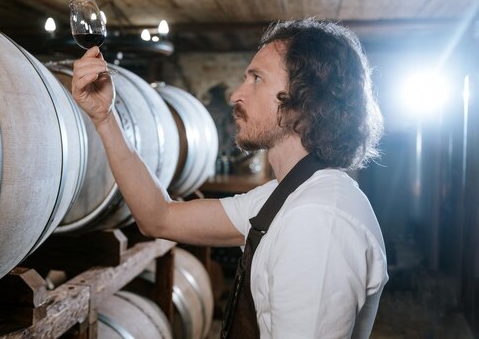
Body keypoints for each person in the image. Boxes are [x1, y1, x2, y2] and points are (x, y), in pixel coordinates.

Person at [71, 18, 388, 339]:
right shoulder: (284, 198)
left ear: (305, 101)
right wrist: (105, 118)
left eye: (256, 79)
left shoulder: (317, 220)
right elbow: (159, 218)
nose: (236, 94)